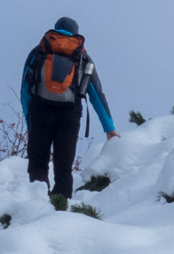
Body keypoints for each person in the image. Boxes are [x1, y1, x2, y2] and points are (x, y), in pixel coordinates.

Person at [21, 16, 118, 201]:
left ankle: (36, 203)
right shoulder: (82, 56)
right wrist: (109, 127)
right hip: (69, 115)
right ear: (75, 33)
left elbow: (25, 90)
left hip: (40, 110)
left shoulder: (39, 51)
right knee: (63, 167)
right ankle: (61, 208)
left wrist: (30, 121)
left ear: (55, 29)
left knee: (38, 164)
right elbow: (97, 94)